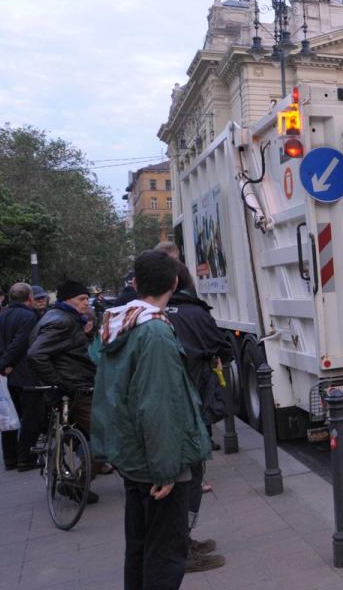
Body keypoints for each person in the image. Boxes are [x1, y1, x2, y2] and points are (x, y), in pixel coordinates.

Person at [92, 251, 211, 590]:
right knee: (164, 554)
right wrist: (166, 468)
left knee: (141, 547)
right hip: (155, 461)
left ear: (135, 283)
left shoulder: (119, 323)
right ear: (175, 283)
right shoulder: (154, 333)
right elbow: (158, 405)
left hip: (132, 453)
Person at [165, 263, 232, 572]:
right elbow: (223, 347)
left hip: (163, 412)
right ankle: (181, 547)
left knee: (179, 479)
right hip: (190, 409)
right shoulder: (194, 313)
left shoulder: (142, 316)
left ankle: (181, 540)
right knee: (189, 478)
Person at [27, 280, 100, 502]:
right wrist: (59, 382)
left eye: (87, 299)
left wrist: (85, 335)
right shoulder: (62, 321)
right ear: (66, 301)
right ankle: (77, 483)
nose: (86, 303)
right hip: (75, 388)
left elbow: (65, 350)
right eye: (81, 299)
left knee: (82, 434)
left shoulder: (59, 317)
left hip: (70, 387)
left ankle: (65, 471)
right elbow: (36, 354)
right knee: (104, 435)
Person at [0, 283, 45, 471]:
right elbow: (20, 344)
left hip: (3, 377)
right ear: (30, 298)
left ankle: (10, 458)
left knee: (8, 417)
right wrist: (4, 366)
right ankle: (25, 458)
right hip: (25, 375)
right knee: (31, 417)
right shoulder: (29, 316)